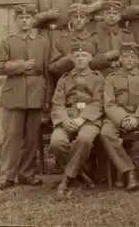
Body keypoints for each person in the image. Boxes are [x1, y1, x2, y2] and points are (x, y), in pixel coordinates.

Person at [0, 4, 51, 190]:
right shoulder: (8, 42)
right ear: (16, 20)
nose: (25, 21)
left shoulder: (43, 42)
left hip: (36, 93)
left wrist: (47, 97)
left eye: (28, 18)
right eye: (21, 18)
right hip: (14, 94)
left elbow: (48, 72)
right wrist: (21, 65)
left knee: (32, 137)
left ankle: (27, 174)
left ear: (33, 20)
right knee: (12, 136)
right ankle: (7, 175)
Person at [50, 41, 104, 196]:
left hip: (89, 119)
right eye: (77, 55)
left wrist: (83, 118)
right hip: (68, 117)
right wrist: (65, 120)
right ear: (72, 59)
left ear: (90, 58)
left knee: (84, 140)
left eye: (84, 55)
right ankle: (79, 174)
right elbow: (57, 103)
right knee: (56, 142)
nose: (80, 58)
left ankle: (67, 178)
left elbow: (99, 103)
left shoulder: (98, 78)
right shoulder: (64, 79)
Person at [101, 42, 139, 191]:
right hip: (117, 117)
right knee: (106, 132)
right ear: (120, 60)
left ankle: (133, 170)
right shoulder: (111, 78)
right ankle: (129, 171)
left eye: (132, 57)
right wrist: (123, 118)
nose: (129, 60)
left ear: (137, 60)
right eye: (125, 57)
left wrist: (137, 117)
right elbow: (109, 103)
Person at [49, 4, 98, 80]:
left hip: (91, 83)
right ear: (70, 20)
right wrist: (68, 58)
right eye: (75, 17)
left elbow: (101, 64)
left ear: (87, 19)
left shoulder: (95, 39)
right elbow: (53, 68)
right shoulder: (61, 41)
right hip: (68, 84)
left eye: (82, 17)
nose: (78, 20)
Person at [92, 1, 135, 77]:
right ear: (103, 16)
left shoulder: (126, 36)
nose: (111, 16)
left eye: (115, 13)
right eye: (108, 13)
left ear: (119, 17)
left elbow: (134, 56)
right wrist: (106, 56)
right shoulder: (95, 37)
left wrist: (122, 59)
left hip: (124, 74)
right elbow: (90, 61)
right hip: (102, 75)